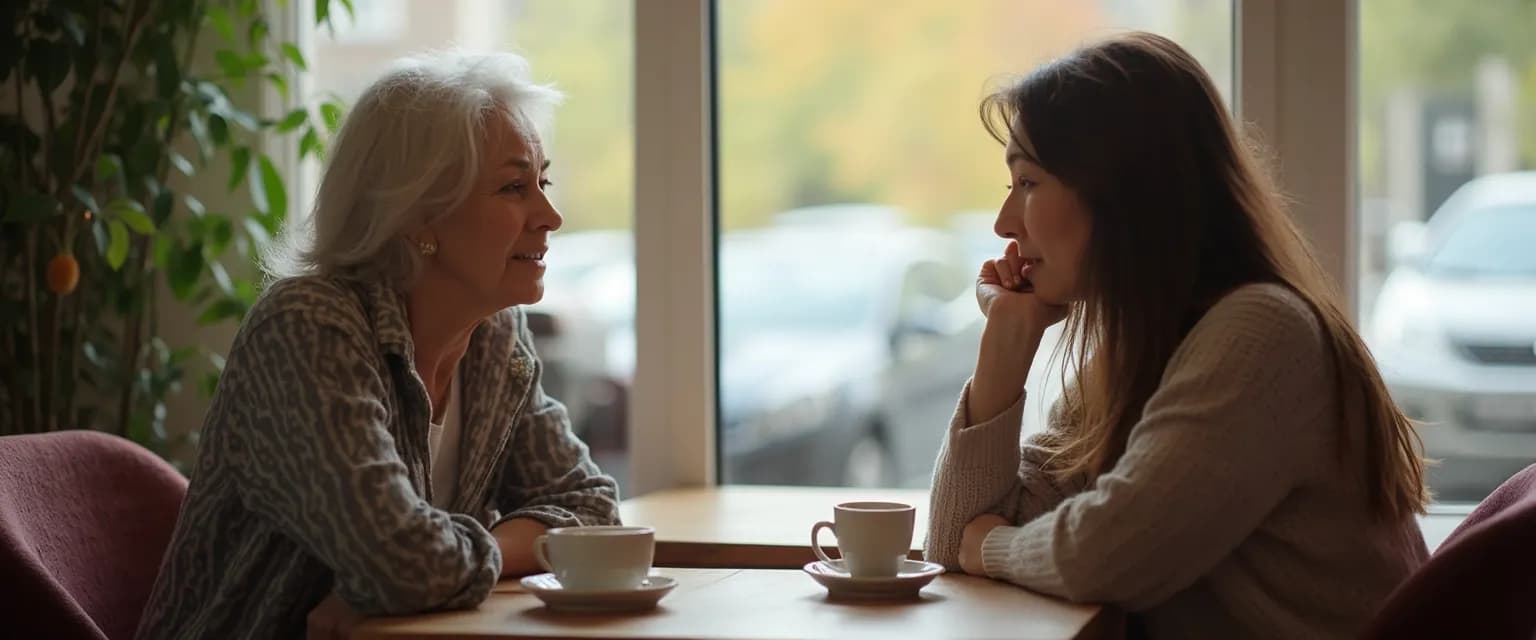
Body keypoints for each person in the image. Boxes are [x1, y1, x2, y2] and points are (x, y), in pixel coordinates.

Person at [924, 32, 1428, 639]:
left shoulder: (1261, 335)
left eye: (1028, 183)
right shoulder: (1144, 349)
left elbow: (1108, 557)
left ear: (1124, 194)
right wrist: (1004, 347)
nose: (1006, 223)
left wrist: (994, 549)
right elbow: (953, 536)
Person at [136, 50, 620, 639]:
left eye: (543, 181)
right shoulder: (308, 329)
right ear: (418, 214)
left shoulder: (495, 336)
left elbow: (592, 509)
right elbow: (401, 562)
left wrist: (472, 553)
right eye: (514, 186)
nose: (551, 215)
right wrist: (515, 546)